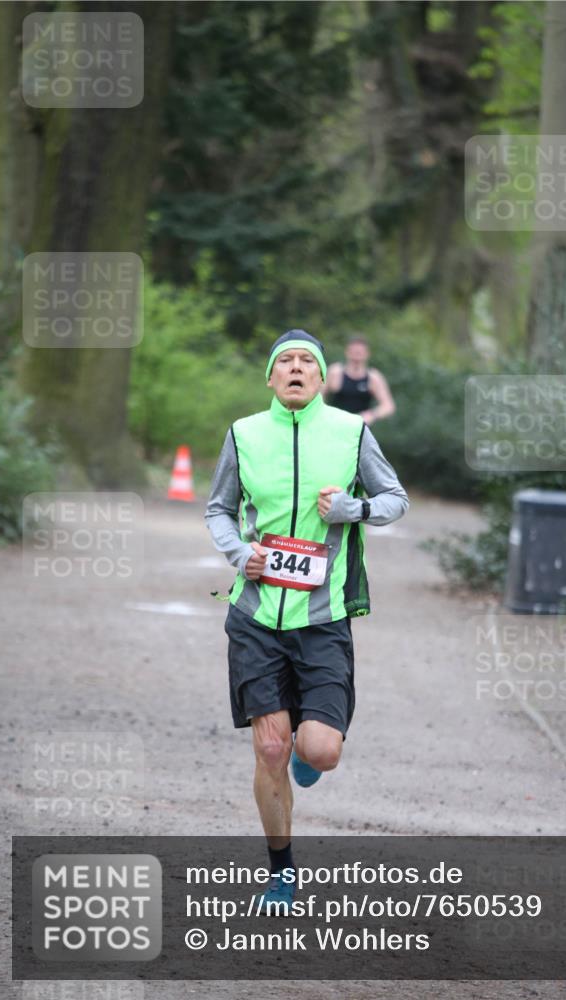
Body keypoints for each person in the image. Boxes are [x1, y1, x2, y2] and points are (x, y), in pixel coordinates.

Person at [205, 329, 408, 912]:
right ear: (270, 378)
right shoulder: (244, 434)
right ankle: (281, 872)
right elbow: (218, 509)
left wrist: (356, 509)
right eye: (284, 362)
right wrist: (241, 554)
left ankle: (306, 751)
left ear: (322, 379)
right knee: (268, 749)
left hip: (323, 618)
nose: (295, 369)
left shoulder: (351, 433)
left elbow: (396, 498)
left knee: (319, 751)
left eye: (306, 363)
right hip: (256, 614)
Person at [324, 335, 396, 424]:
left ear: (367, 354)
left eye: (360, 353)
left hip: (360, 428)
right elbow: (318, 397)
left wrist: (371, 415)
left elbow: (388, 406)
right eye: (354, 352)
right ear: (347, 352)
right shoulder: (335, 372)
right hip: (334, 425)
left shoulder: (373, 377)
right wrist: (325, 415)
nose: (356, 356)